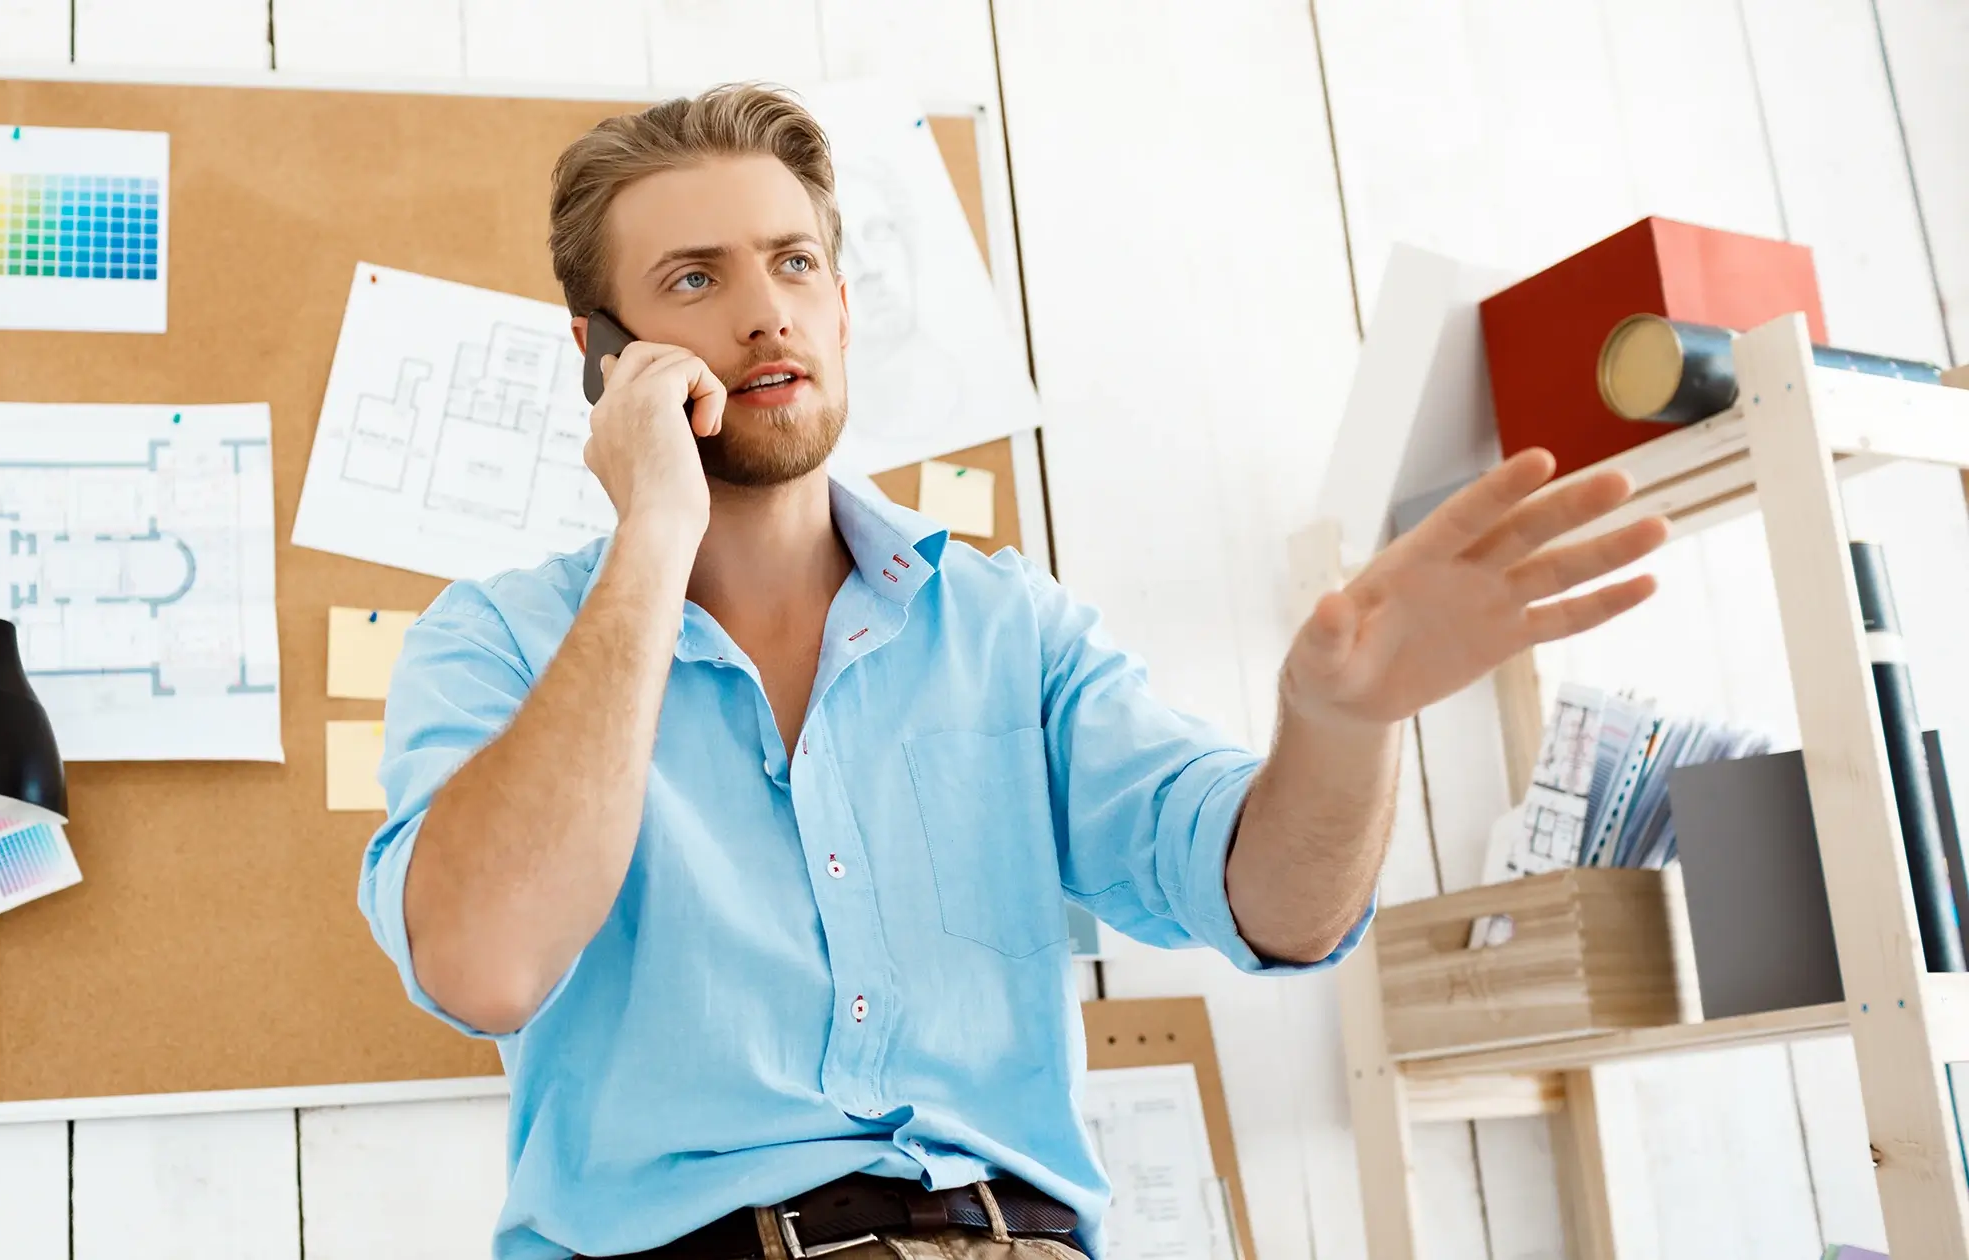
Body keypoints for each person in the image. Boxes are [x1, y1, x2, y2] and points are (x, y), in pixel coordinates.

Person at [359, 84, 1666, 1260]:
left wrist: (1342, 722)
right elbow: (486, 964)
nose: (765, 310)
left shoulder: (1007, 628)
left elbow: (1280, 907)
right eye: (693, 280)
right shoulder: (494, 646)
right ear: (602, 353)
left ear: (843, 308)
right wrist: (654, 531)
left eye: (795, 262)